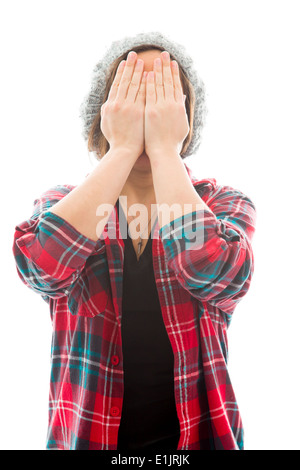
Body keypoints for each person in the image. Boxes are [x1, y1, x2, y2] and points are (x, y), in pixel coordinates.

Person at [12, 31, 256, 451]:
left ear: (184, 116)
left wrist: (164, 151)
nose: (148, 111)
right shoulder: (63, 204)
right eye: (133, 93)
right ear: (106, 111)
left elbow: (216, 271)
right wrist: (122, 147)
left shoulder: (221, 203)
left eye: (163, 96)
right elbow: (40, 267)